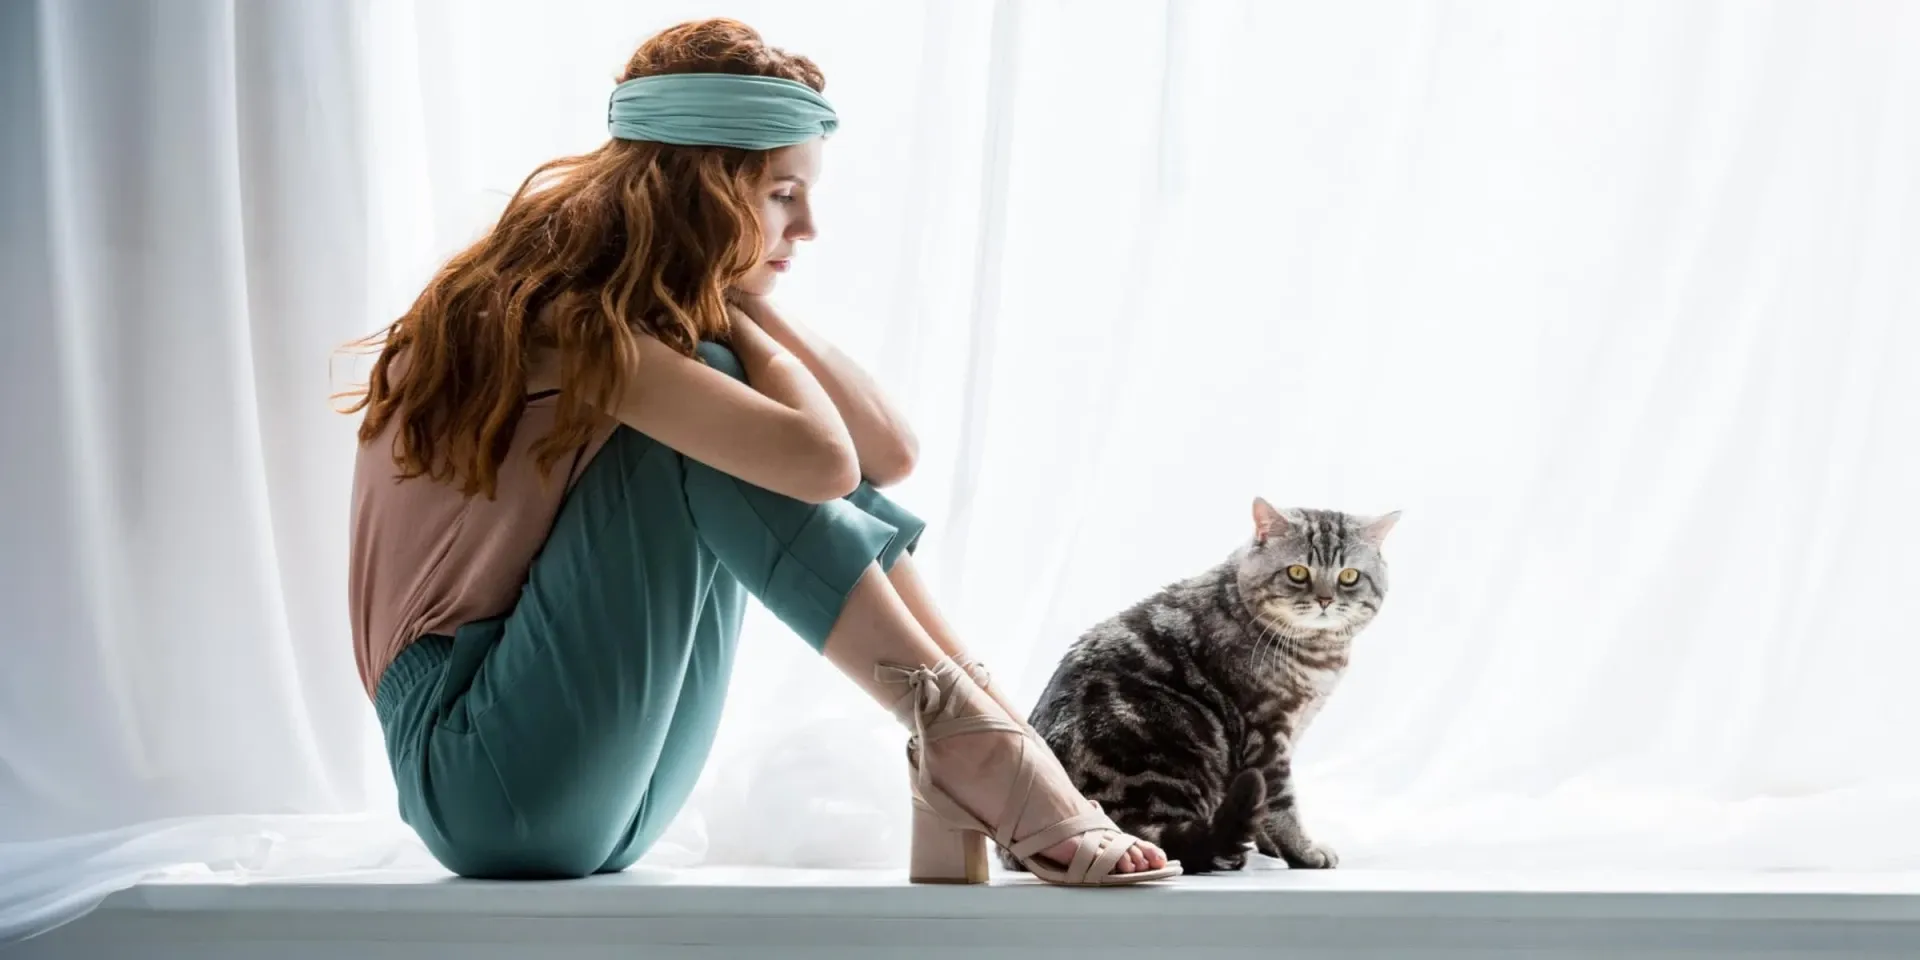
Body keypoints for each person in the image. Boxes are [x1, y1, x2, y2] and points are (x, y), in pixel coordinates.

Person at [339, 17, 1177, 887]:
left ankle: (986, 739)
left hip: (598, 781)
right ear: (697, 192)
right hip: (479, 770)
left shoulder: (635, 331)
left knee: (724, 398)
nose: (807, 225)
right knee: (704, 420)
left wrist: (739, 302)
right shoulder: (564, 324)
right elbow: (826, 464)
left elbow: (887, 454)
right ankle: (974, 745)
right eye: (782, 193)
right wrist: (734, 320)